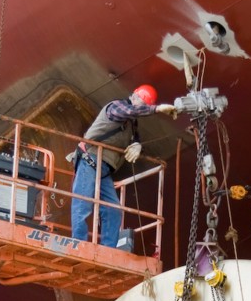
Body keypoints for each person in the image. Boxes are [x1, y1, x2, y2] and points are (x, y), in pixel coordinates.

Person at [71, 84, 178, 247]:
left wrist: (137, 144)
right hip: (89, 160)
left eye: (144, 106)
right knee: (83, 203)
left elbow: (135, 135)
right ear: (134, 96)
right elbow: (129, 111)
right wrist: (157, 109)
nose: (140, 108)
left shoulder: (131, 124)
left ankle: (108, 248)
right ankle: (77, 243)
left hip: (104, 170)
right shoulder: (116, 107)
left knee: (113, 209)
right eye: (141, 103)